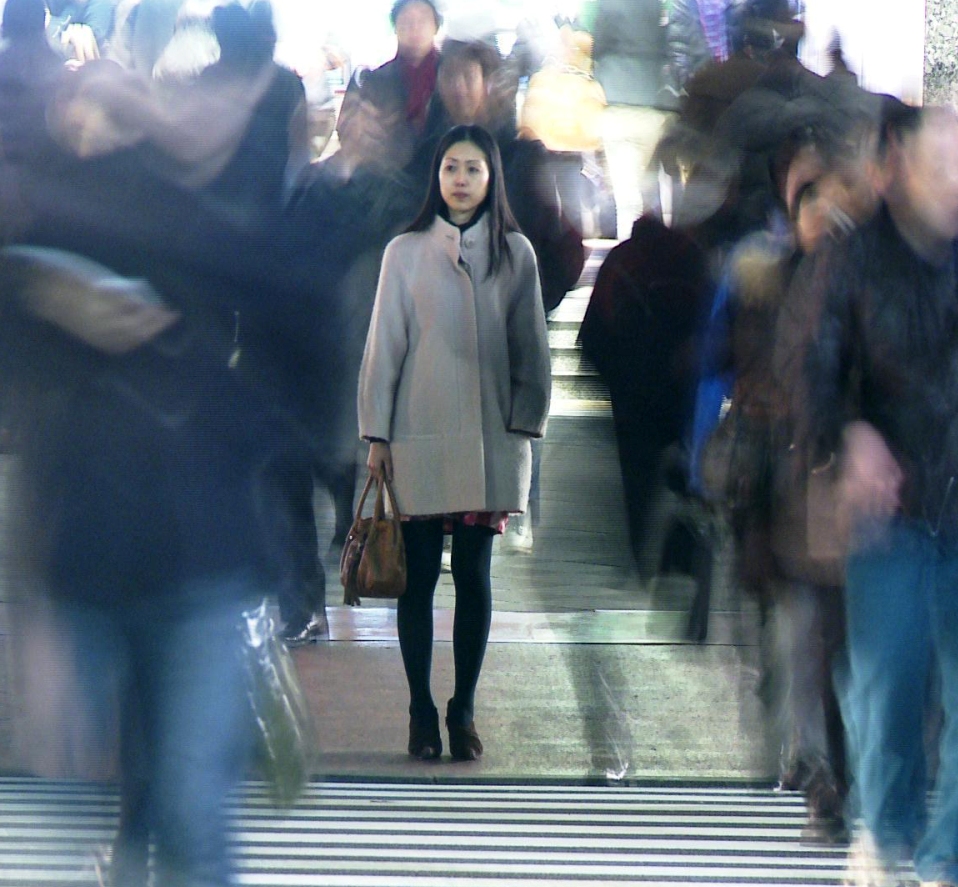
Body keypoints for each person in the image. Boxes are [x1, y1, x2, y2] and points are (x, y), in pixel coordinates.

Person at [798, 103, 958, 885]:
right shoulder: (857, 259)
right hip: (890, 514)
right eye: (942, 166)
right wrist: (851, 433)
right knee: (890, 689)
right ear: (901, 170)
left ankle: (945, 857)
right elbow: (817, 376)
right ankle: (886, 838)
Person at [358, 123, 551, 761]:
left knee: (473, 575)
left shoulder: (516, 253)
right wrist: (376, 432)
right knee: (415, 583)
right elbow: (384, 347)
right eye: (450, 168)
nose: (460, 180)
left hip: (490, 438)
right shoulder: (404, 252)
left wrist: (526, 422)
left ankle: (462, 706)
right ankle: (419, 707)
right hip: (417, 437)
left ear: (492, 177)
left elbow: (533, 347)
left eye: (472, 168)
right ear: (435, 177)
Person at [590, 0, 679, 240]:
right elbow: (667, 45)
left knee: (626, 193)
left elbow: (597, 46)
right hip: (651, 101)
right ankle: (653, 249)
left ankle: (630, 254)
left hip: (617, 101)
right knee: (648, 186)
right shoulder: (654, 4)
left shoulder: (609, 4)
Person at [334, 0, 441, 175]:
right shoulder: (375, 78)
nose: (415, 27)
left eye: (423, 20)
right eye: (406, 21)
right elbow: (348, 130)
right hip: (388, 177)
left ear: (436, 26)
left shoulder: (450, 74)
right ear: (395, 26)